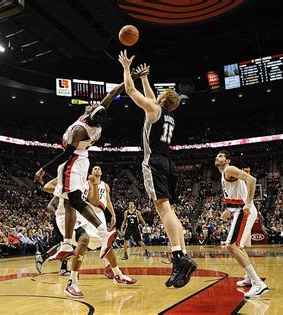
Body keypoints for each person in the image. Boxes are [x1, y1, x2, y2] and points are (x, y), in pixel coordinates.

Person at [34, 69, 147, 261]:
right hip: (82, 159)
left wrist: (43, 169)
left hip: (73, 161)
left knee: (74, 200)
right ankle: (67, 243)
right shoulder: (97, 119)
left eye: (92, 106)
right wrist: (132, 77)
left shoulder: (79, 130)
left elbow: (66, 154)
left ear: (90, 113)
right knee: (69, 201)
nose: (92, 104)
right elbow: (113, 93)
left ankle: (102, 233)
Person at [118, 50, 196, 288]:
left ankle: (178, 256)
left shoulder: (154, 111)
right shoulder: (169, 115)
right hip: (169, 162)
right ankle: (182, 254)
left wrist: (125, 67)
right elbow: (150, 96)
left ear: (162, 100)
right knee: (169, 210)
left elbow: (130, 92)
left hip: (154, 162)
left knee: (163, 210)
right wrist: (144, 78)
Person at [215, 150, 269, 299]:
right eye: (217, 156)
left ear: (227, 160)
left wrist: (248, 203)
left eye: (221, 156)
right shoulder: (224, 173)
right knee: (238, 246)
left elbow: (251, 180)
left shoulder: (229, 169)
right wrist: (228, 209)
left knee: (231, 245)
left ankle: (258, 283)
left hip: (244, 210)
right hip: (239, 209)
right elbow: (236, 194)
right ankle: (249, 277)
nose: (217, 158)